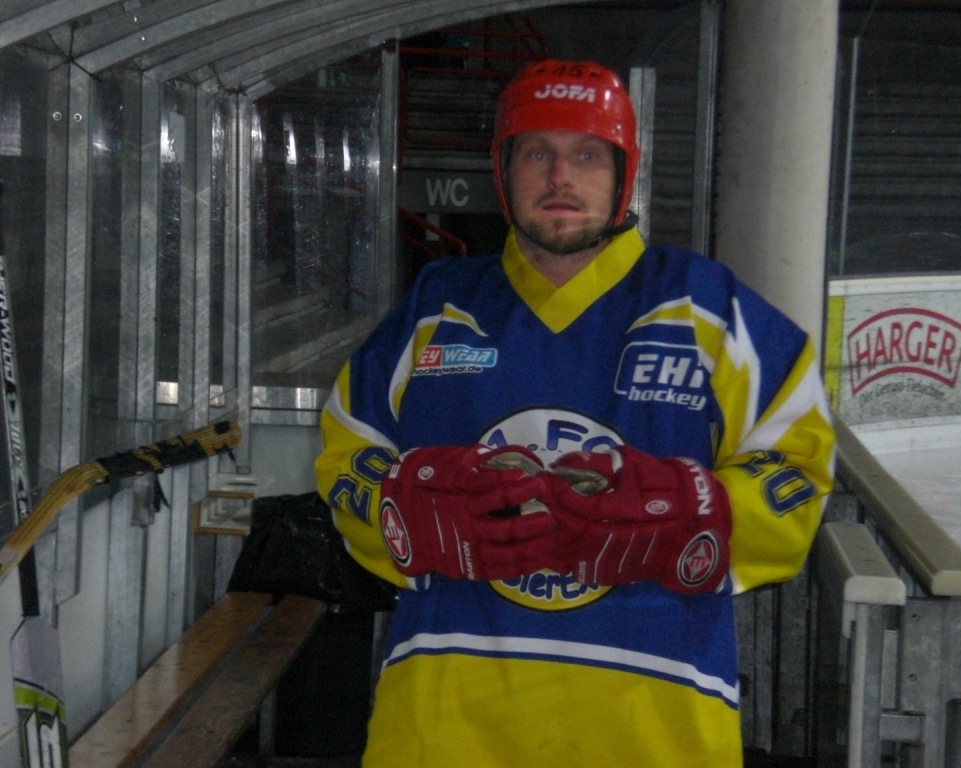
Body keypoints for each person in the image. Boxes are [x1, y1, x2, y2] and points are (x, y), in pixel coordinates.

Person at [316, 58, 835, 767]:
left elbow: (799, 473)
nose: (561, 177)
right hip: (444, 732)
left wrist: (695, 513)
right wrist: (399, 501)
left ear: (625, 174)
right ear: (503, 171)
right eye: (538, 154)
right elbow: (345, 455)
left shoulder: (709, 309)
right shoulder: (438, 307)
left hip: (652, 735)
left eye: (588, 156)